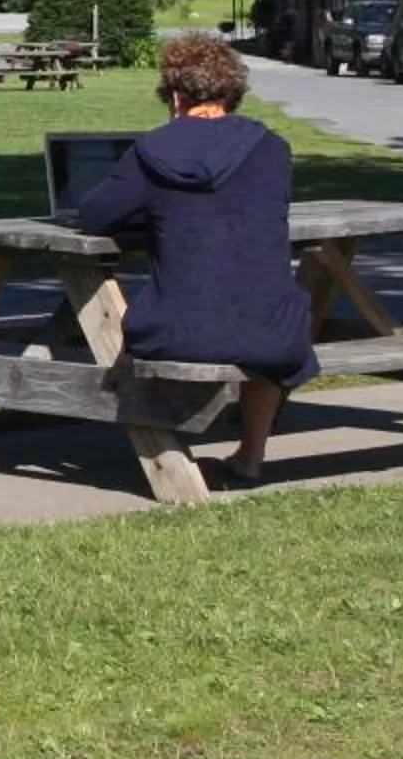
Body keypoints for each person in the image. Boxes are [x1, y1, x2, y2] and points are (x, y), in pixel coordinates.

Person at [73, 34, 316, 489]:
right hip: (276, 335)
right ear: (233, 93)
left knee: (144, 323)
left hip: (182, 330)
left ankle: (171, 451)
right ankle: (251, 457)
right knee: (272, 313)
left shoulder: (152, 151)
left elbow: (94, 214)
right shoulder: (272, 149)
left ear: (176, 95)